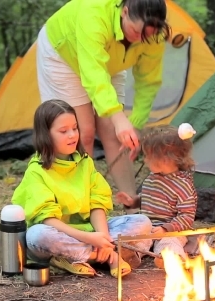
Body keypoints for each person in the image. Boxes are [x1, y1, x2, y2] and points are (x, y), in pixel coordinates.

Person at [36, 0, 171, 210]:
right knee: (83, 131)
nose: (140, 39)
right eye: (136, 31)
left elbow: (148, 81)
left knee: (114, 133)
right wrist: (118, 117)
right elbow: (93, 74)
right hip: (63, 52)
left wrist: (134, 124)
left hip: (109, 61)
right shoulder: (94, 15)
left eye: (146, 36)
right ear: (125, 12)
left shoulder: (153, 34)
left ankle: (131, 200)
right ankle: (81, 201)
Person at [12, 99, 153, 278]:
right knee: (37, 236)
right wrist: (89, 239)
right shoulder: (37, 171)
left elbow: (97, 203)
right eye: (63, 131)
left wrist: (103, 237)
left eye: (75, 128)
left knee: (142, 222)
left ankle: (81, 256)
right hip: (59, 234)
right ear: (46, 135)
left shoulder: (84, 162)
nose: (72, 135)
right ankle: (111, 256)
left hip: (91, 231)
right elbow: (47, 219)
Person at [115, 124, 200, 268]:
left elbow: (186, 216)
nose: (145, 160)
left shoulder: (183, 185)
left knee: (170, 242)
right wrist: (133, 202)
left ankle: (170, 258)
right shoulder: (153, 178)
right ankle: (130, 256)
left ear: (165, 159)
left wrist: (166, 229)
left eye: (148, 156)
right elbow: (149, 199)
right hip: (148, 229)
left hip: (171, 231)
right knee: (137, 241)